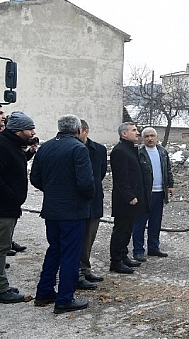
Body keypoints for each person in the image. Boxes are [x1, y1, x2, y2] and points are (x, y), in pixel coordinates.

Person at [30, 114, 95, 314]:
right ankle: (65, 298)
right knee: (70, 254)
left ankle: (44, 292)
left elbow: (35, 178)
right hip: (73, 211)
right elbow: (86, 183)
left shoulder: (46, 147)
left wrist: (53, 190)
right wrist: (87, 197)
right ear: (77, 130)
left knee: (55, 250)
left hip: (52, 209)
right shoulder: (78, 148)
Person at [0, 111, 36, 303]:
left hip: (9, 207)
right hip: (4, 208)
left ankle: (2, 284)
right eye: (29, 129)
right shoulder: (3, 146)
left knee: (3, 248)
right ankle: (1, 289)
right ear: (18, 130)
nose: (32, 132)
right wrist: (11, 196)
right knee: (1, 248)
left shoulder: (12, 145)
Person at [109, 122, 149, 274]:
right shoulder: (119, 151)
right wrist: (129, 196)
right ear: (124, 134)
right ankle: (116, 261)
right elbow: (121, 178)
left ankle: (123, 256)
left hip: (133, 199)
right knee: (121, 230)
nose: (137, 133)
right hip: (124, 200)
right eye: (134, 130)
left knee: (127, 230)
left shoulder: (130, 150)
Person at [132, 127, 174, 262]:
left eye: (152, 136)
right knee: (140, 223)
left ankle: (153, 247)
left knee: (156, 222)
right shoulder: (139, 153)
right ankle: (138, 250)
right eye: (147, 136)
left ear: (157, 137)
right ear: (143, 139)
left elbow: (168, 169)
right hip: (144, 194)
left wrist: (171, 185)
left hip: (159, 192)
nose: (150, 139)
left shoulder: (162, 152)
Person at [76, 120, 108, 290]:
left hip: (94, 199)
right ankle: (77, 272)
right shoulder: (69, 149)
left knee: (89, 237)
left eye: (78, 131)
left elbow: (100, 173)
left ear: (86, 131)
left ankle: (85, 268)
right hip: (75, 201)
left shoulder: (99, 150)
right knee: (76, 238)